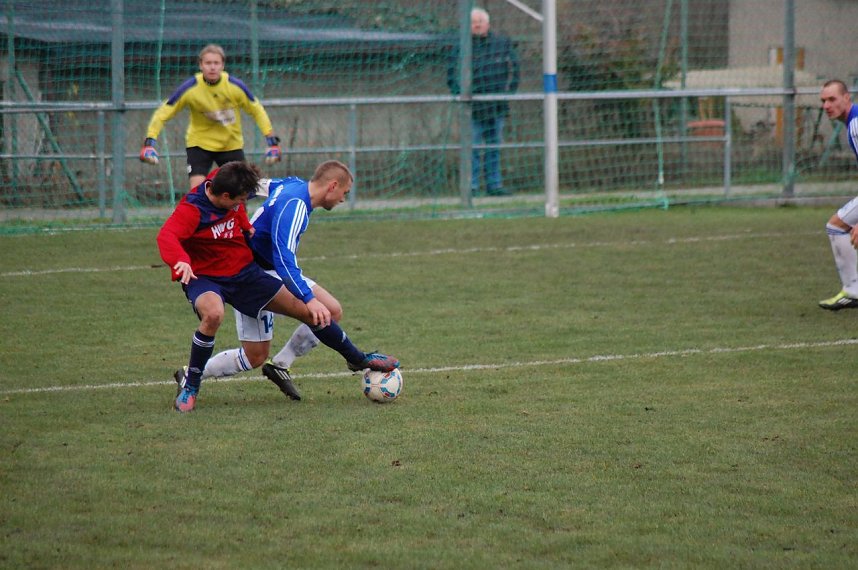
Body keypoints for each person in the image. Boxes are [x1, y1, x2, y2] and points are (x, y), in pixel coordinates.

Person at [156, 161, 399, 412]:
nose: (244, 204)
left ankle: (350, 359)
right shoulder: (197, 209)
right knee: (220, 319)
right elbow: (167, 236)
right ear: (333, 186)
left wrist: (246, 225)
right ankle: (192, 382)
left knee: (316, 316)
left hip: (245, 273)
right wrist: (181, 261)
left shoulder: (254, 183)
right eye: (344, 193)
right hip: (222, 274)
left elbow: (253, 189)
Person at [140, 44, 282, 190]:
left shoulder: (235, 87)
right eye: (208, 63)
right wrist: (149, 143)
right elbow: (163, 113)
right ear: (200, 65)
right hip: (199, 145)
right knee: (197, 192)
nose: (212, 67)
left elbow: (257, 110)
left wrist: (271, 141)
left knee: (240, 192)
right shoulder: (190, 88)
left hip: (230, 145)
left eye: (216, 63)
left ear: (223, 65)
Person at [447, 7, 520, 197]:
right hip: (472, 109)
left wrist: (507, 94)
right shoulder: (461, 46)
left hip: (497, 107)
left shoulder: (502, 43)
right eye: (473, 22)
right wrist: (461, 95)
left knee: (493, 148)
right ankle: (471, 187)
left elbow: (515, 70)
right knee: (471, 149)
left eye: (480, 21)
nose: (477, 25)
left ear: (488, 24)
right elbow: (451, 74)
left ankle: (494, 185)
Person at [819, 79, 858, 310]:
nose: (826, 105)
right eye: (823, 101)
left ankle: (854, 290)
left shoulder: (855, 125)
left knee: (837, 226)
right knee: (837, 225)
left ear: (847, 97)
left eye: (832, 99)